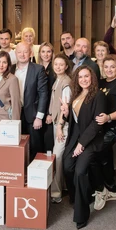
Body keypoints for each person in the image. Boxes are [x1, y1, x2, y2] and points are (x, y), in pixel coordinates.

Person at [61, 66, 107, 229]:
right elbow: (75, 119)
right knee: (67, 167)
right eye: (80, 77)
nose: (83, 80)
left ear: (92, 77)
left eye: (86, 76)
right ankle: (79, 197)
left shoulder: (98, 95)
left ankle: (81, 214)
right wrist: (66, 113)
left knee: (80, 171)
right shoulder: (76, 94)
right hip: (75, 137)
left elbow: (96, 123)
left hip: (90, 139)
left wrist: (82, 144)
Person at [92, 55, 116, 210]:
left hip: (113, 126)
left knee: (97, 153)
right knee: (104, 156)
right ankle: (111, 189)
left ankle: (105, 188)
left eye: (112, 67)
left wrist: (108, 117)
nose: (109, 70)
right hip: (99, 126)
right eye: (106, 66)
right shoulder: (100, 82)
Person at [14, 42, 49, 158]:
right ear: (15, 53)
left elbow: (43, 94)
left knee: (35, 148)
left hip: (33, 116)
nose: (22, 54)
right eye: (19, 52)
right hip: (15, 115)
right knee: (17, 147)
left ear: (30, 53)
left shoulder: (38, 69)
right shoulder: (10, 68)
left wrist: (39, 117)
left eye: (25, 52)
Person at [47, 54, 72, 203]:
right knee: (58, 157)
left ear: (66, 66)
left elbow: (65, 107)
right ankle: (61, 187)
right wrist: (51, 114)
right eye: (56, 64)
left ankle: (56, 194)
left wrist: (60, 127)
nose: (58, 67)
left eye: (61, 64)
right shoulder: (57, 80)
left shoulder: (66, 82)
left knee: (57, 156)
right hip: (56, 123)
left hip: (62, 125)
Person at [38, 42, 57, 153]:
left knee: (48, 140)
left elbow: (54, 93)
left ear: (52, 53)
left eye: (48, 51)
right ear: (39, 53)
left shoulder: (55, 69)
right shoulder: (36, 67)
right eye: (43, 51)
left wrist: (50, 113)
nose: (46, 54)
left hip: (50, 108)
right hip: (39, 108)